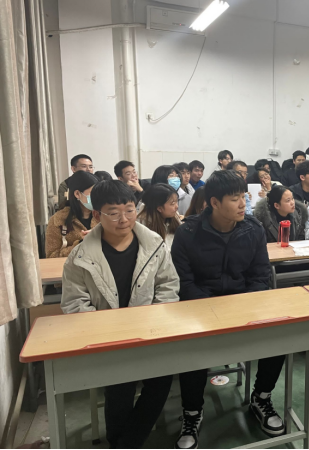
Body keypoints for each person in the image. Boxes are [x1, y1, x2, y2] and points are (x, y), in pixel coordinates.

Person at [61, 180, 180, 450]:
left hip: (150, 334)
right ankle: (122, 442)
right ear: (97, 215)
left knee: (163, 378)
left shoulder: (154, 246)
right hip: (108, 340)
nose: (124, 219)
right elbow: (74, 304)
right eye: (113, 213)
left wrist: (153, 322)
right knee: (119, 387)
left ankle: (125, 443)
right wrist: (110, 333)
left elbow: (168, 286)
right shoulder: (80, 257)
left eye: (129, 210)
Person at [171, 171, 285, 448]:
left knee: (280, 335)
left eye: (243, 196)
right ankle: (192, 412)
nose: (243, 203)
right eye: (234, 199)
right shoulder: (188, 232)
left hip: (243, 306)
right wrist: (211, 311)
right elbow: (182, 282)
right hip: (200, 308)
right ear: (214, 202)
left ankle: (261, 397)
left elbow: (260, 276)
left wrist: (242, 308)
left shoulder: (253, 229)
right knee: (191, 346)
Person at [46, 171, 99, 258]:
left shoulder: (104, 216)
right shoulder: (58, 221)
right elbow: (51, 256)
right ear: (77, 194)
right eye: (93, 193)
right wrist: (81, 244)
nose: (97, 197)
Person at [138, 184, 181, 251]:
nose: (177, 206)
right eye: (172, 203)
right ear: (159, 208)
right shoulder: (143, 225)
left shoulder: (174, 215)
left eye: (176, 201)